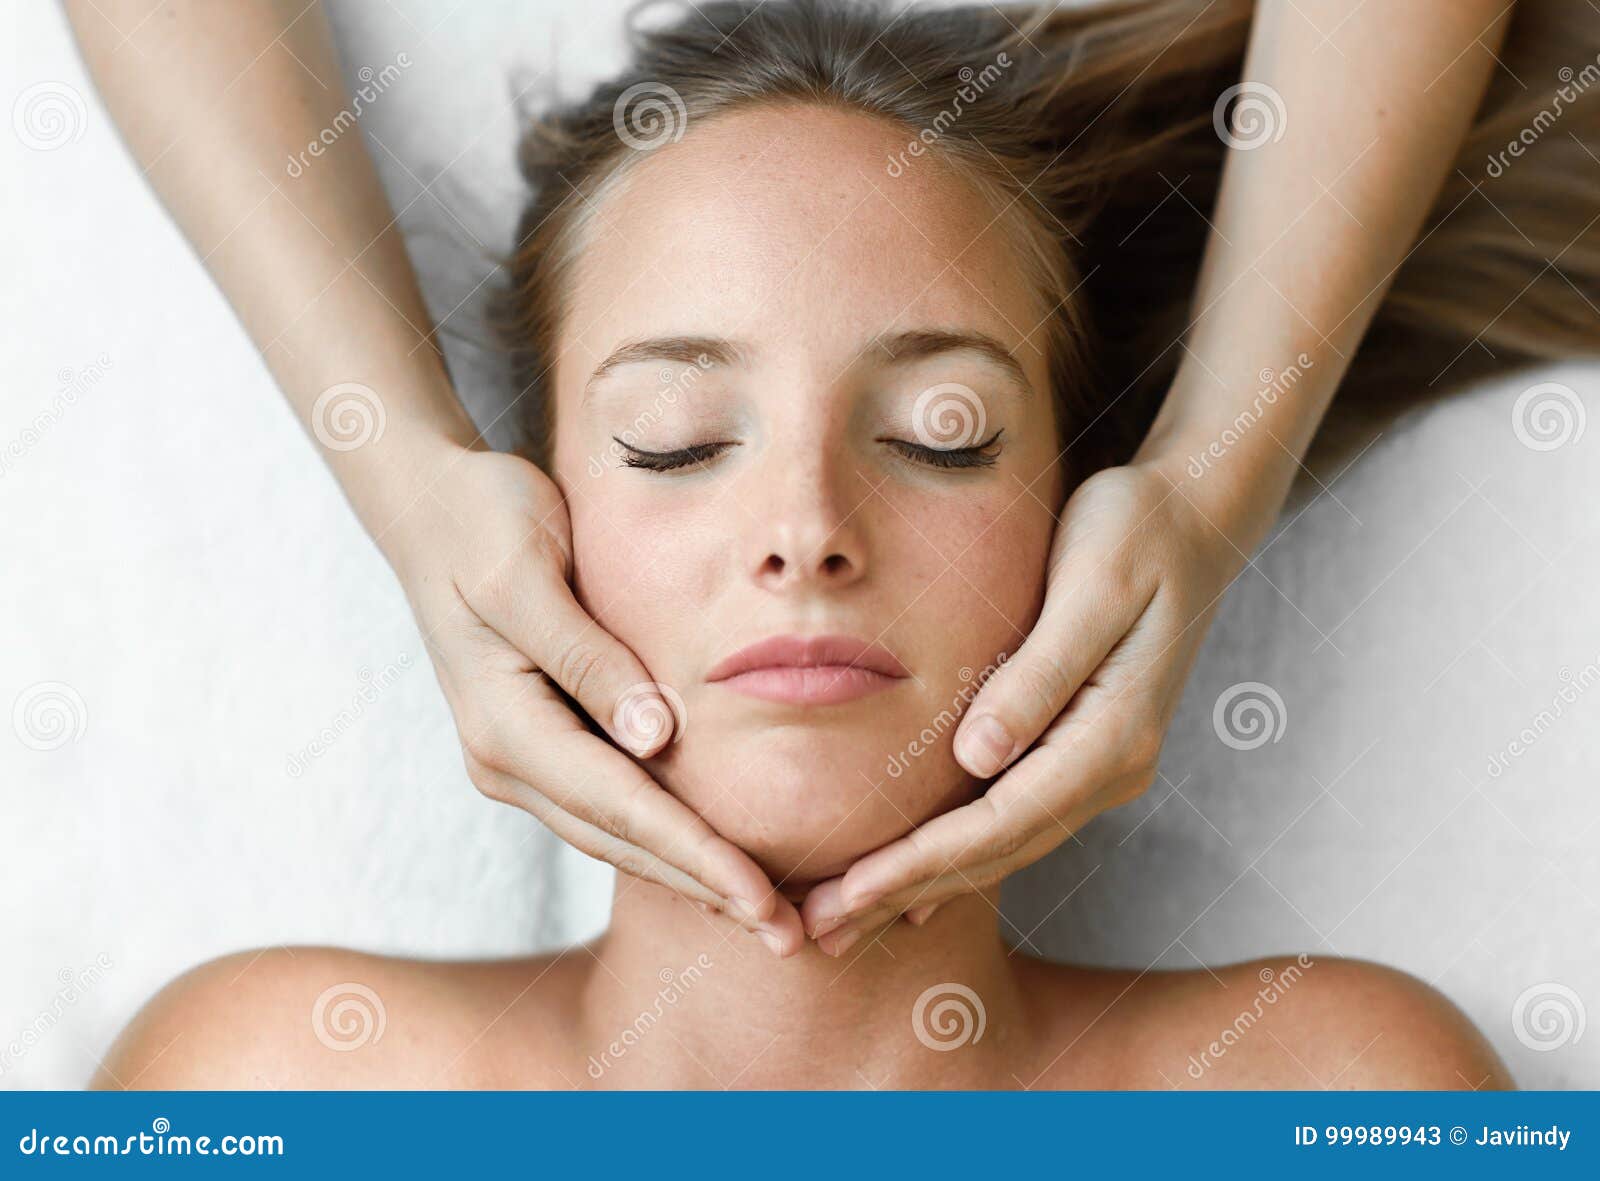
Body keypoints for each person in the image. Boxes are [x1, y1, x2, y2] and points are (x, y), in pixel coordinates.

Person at [92, 0, 1596, 1089]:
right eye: (677, 435)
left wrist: (1210, 485)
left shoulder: (1332, 1091)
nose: (806, 531)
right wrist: (399, 476)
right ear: (531, 520)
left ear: (1078, 520)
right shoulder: (258, 1089)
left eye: (943, 431)